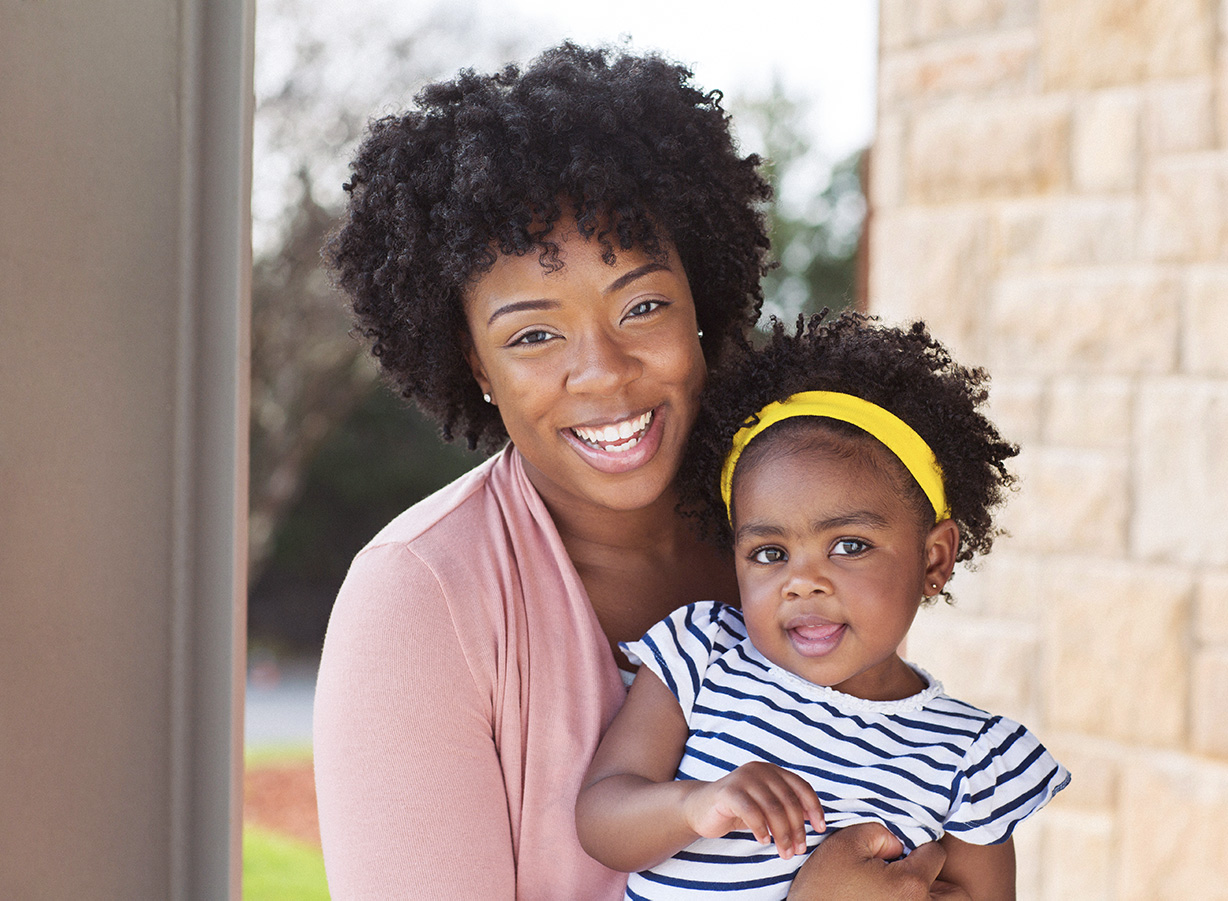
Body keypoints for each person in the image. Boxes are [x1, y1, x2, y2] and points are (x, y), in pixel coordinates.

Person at [315, 42, 962, 900]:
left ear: (702, 300)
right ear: (473, 362)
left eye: (643, 306)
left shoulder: (796, 519)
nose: (604, 371)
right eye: (533, 335)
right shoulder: (420, 598)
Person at [575, 312, 1071, 901]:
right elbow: (602, 817)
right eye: (769, 552)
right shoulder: (703, 652)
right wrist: (696, 804)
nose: (801, 583)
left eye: (849, 546)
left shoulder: (970, 759)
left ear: (934, 560)